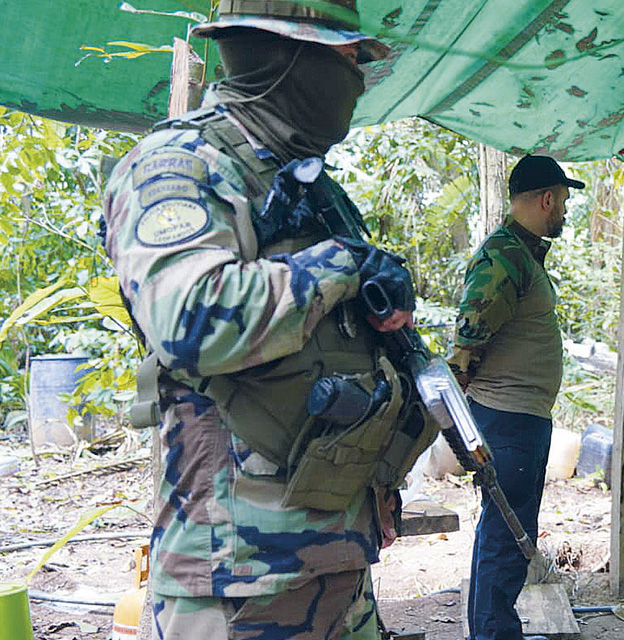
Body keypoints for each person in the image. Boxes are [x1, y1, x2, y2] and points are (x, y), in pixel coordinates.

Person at [98, 2, 436, 638]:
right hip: (237, 582)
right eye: (347, 58)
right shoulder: (180, 163)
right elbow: (189, 319)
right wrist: (343, 264)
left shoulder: (306, 183)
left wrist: (378, 482)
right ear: (286, 56)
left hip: (336, 562)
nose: (358, 77)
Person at [447, 155, 583, 640]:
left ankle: (492, 630)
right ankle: (493, 634)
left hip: (519, 418)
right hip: (507, 419)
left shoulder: (520, 253)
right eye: (563, 202)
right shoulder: (504, 256)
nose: (564, 212)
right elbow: (467, 342)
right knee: (506, 534)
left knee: (506, 528)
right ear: (547, 199)